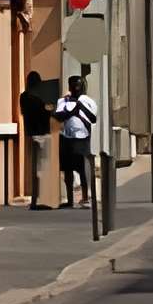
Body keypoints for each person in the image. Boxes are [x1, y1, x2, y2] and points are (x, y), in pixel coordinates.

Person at [53, 73, 97, 207]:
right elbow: (58, 116)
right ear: (70, 86)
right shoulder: (63, 101)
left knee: (82, 169)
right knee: (67, 169)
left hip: (82, 138)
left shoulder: (88, 101)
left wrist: (80, 106)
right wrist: (72, 111)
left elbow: (93, 118)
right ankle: (70, 199)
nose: (76, 88)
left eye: (78, 85)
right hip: (66, 137)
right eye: (74, 85)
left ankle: (85, 197)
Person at [19, 70, 50, 209]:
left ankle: (34, 200)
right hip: (41, 134)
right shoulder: (36, 100)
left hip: (30, 133)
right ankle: (39, 201)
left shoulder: (23, 97)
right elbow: (44, 116)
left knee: (35, 169)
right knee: (41, 169)